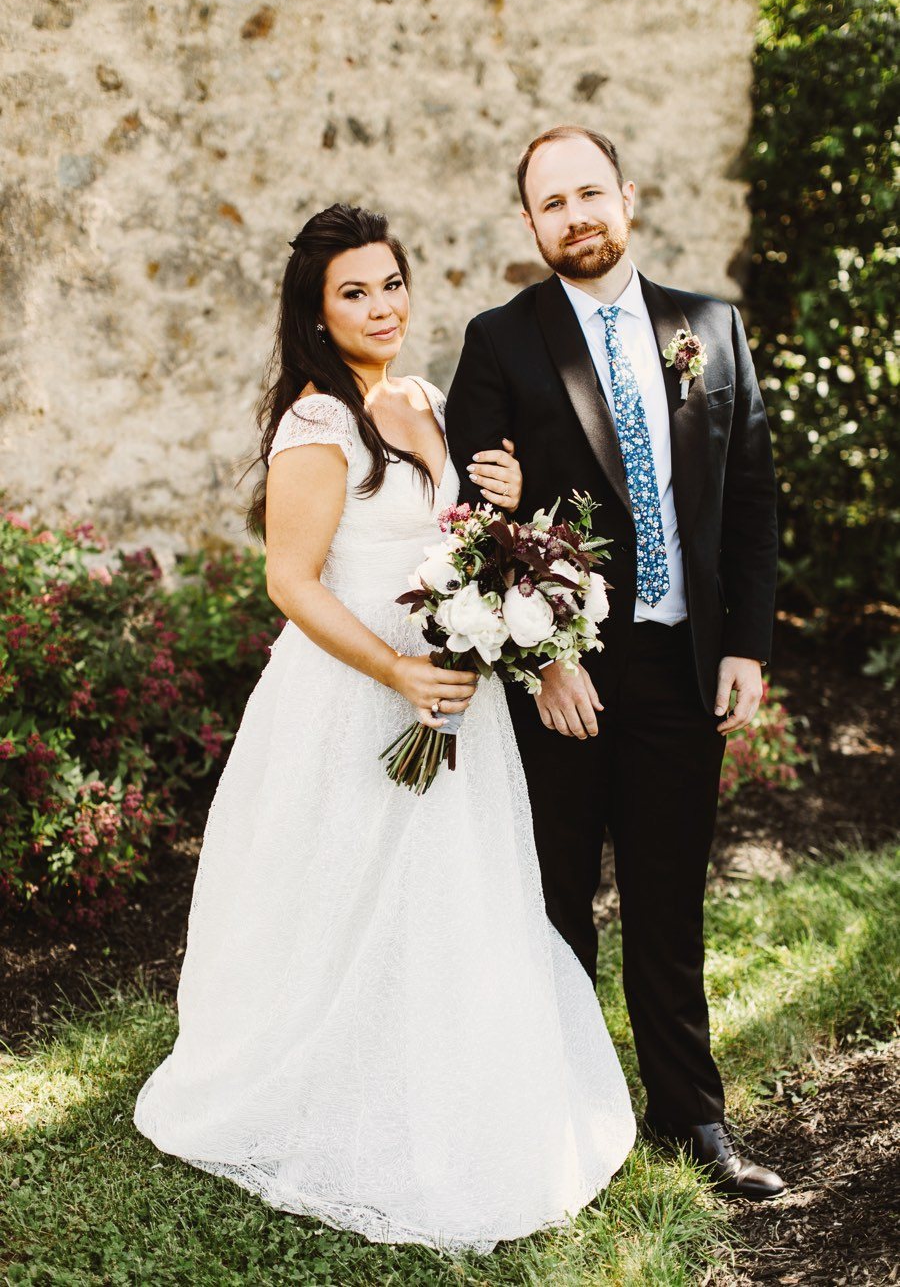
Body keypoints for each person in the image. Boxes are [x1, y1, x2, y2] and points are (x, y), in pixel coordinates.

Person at [134, 203, 636, 1252]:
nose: (380, 308)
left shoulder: (424, 398)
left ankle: (449, 1073)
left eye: (390, 284)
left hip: (450, 694)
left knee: (449, 892)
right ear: (318, 316)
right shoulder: (317, 423)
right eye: (352, 293)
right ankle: (322, 1076)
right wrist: (398, 668)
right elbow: (292, 580)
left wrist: (493, 497)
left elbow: (455, 535)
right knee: (347, 893)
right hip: (355, 692)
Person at [446, 127, 784, 1200]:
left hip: (684, 668)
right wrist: (544, 659)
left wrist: (746, 642)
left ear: (628, 198)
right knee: (555, 904)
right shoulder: (500, 341)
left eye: (591, 192)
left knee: (668, 902)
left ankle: (692, 1118)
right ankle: (563, 1120)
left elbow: (753, 500)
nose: (577, 215)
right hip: (566, 678)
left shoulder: (710, 328)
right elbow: (474, 521)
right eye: (553, 203)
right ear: (533, 226)